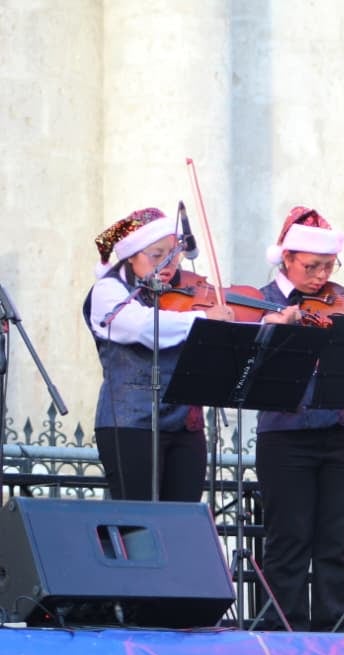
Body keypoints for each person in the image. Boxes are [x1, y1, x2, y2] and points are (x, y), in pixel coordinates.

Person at [253, 206, 344, 632]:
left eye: (328, 266)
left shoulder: (343, 301)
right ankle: (284, 624)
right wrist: (273, 326)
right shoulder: (260, 302)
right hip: (286, 433)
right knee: (288, 537)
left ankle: (332, 623)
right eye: (311, 267)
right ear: (286, 260)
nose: (321, 276)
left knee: (339, 537)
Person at [86, 206, 235, 501]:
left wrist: (269, 321)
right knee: (138, 520)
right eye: (157, 255)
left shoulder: (182, 294)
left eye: (175, 254)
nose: (169, 263)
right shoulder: (108, 291)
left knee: (182, 519)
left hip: (185, 425)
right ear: (131, 255)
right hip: (131, 423)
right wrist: (203, 320)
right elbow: (140, 327)